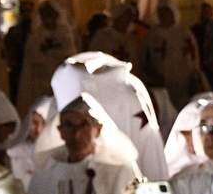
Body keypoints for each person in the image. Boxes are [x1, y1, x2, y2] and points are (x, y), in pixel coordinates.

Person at [48, 52, 170, 180]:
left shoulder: (131, 90)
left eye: (83, 124)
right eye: (70, 125)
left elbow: (149, 156)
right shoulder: (67, 84)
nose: (77, 134)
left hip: (123, 178)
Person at [14, 0, 77, 114]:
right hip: (39, 80)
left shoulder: (65, 33)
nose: (48, 19)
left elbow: (70, 54)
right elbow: (32, 56)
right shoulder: (36, 35)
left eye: (50, 15)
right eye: (45, 15)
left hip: (60, 77)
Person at [139, 0, 204, 108]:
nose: (164, 16)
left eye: (167, 12)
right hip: (161, 81)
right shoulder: (152, 34)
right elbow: (145, 57)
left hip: (183, 80)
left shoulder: (184, 32)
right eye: (161, 12)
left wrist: (194, 73)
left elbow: (193, 56)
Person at [7, 97, 54, 188]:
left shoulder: (59, 157)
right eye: (34, 122)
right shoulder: (16, 152)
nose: (36, 128)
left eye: (43, 123)